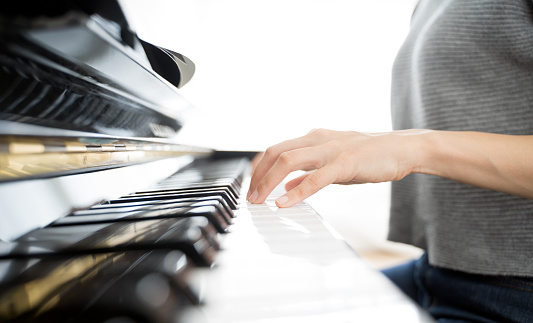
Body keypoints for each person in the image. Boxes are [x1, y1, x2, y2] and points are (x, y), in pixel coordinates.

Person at [247, 0, 533, 322]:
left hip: (516, 291)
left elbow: (419, 146)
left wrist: (413, 150)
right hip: (438, 269)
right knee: (260, 307)